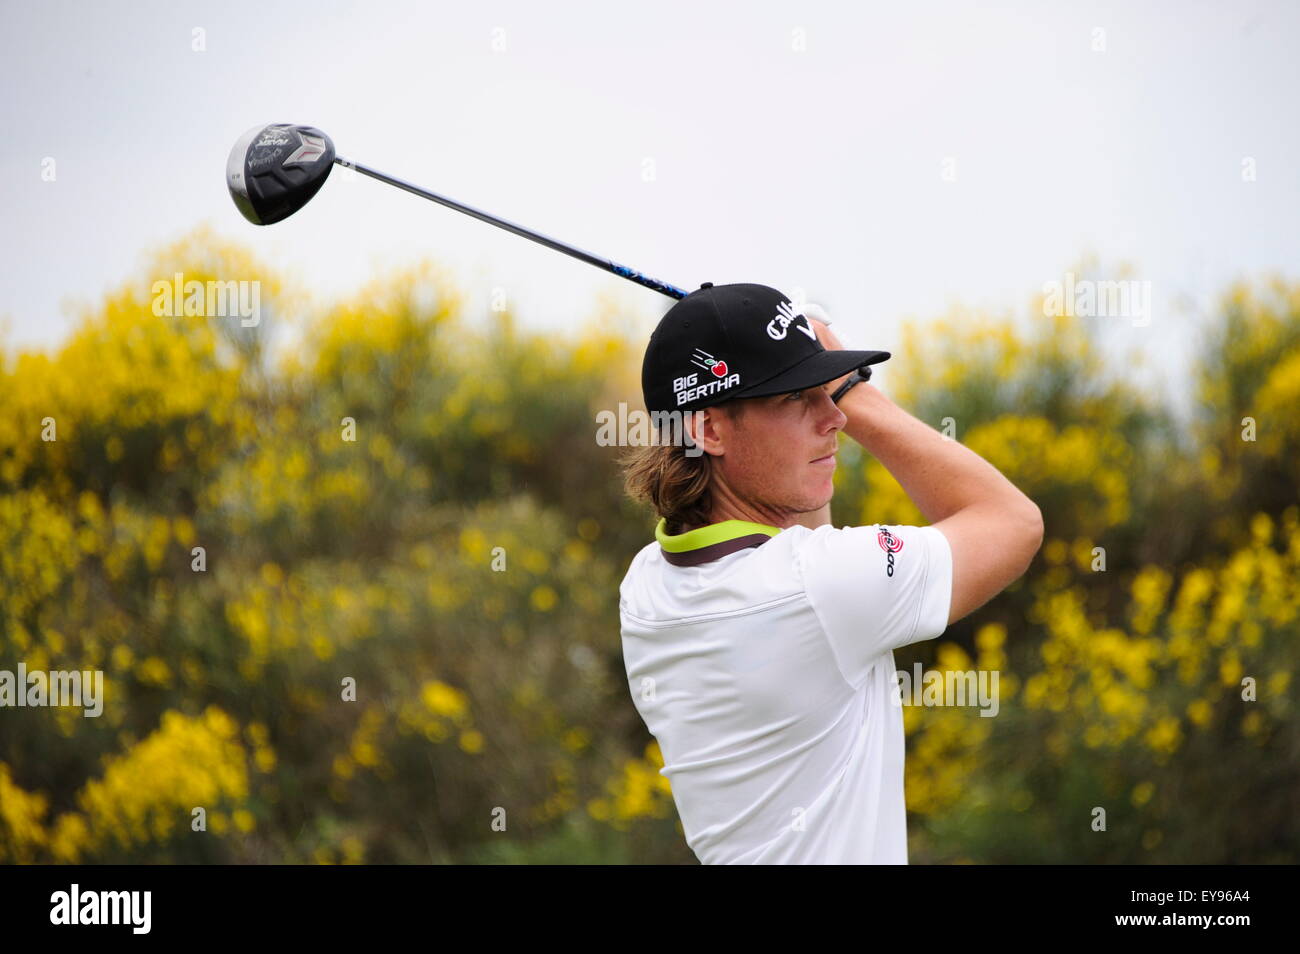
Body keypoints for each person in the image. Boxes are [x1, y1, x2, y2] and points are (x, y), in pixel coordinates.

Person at [617, 282, 1043, 864]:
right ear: (709, 430)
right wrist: (857, 393)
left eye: (824, 393)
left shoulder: (645, 586)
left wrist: (793, 357)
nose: (833, 417)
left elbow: (799, 547)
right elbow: (1013, 522)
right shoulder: (820, 586)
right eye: (795, 398)